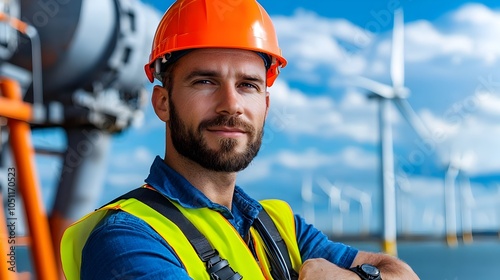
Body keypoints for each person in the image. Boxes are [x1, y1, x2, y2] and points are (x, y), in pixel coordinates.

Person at [60, 0, 420, 279]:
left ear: (264, 105)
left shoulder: (280, 226)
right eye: (205, 81)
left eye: (247, 85)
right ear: (163, 102)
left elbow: (401, 272)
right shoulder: (126, 240)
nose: (231, 105)